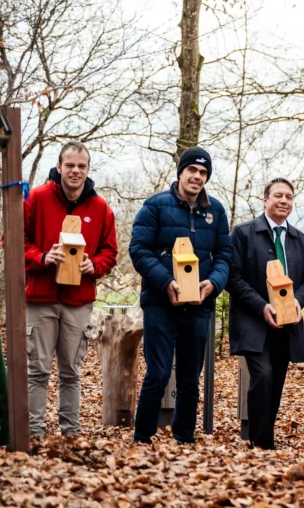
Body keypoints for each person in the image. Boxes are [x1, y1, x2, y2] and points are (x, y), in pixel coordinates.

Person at [131, 147, 232, 444]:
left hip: (199, 305)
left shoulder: (216, 211)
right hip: (160, 303)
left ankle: (184, 439)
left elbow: (225, 255)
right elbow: (139, 249)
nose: (197, 176)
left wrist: (214, 283)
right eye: (192, 170)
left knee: (190, 378)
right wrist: (166, 283)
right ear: (180, 172)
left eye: (203, 173)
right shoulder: (155, 206)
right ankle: (142, 437)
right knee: (158, 374)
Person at [24, 142, 118, 437]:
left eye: (81, 166)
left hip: (79, 302)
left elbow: (110, 251)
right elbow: (13, 240)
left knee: (71, 371)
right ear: (59, 167)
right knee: (37, 370)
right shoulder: (37, 198)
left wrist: (95, 265)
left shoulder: (100, 208)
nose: (75, 171)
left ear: (88, 169)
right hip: (40, 299)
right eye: (70, 165)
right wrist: (42, 258)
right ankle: (34, 432)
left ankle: (71, 433)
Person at [227, 177, 304, 449]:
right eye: (278, 195)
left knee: (276, 381)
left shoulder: (301, 240)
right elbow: (233, 277)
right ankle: (261, 442)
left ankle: (265, 436)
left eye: (289, 197)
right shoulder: (243, 233)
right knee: (263, 375)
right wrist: (261, 306)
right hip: (253, 321)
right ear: (265, 200)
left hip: (287, 322)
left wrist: (297, 302)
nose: (284, 201)